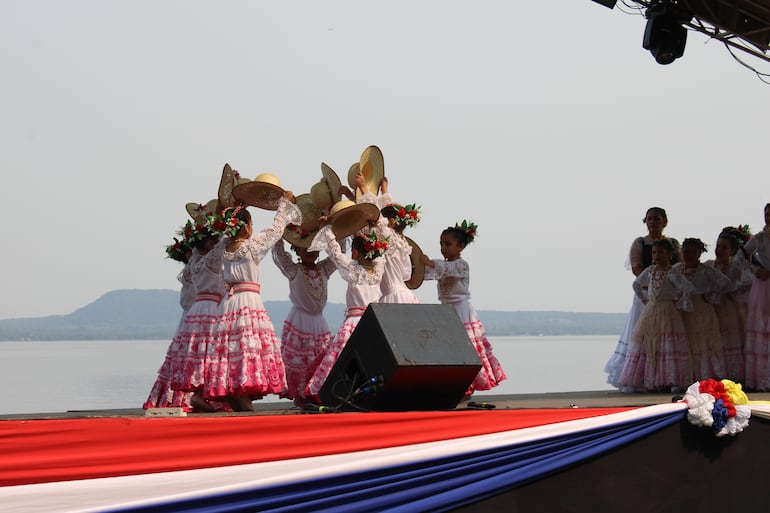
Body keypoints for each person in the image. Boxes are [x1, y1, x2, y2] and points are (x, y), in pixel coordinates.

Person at [205, 196, 301, 411]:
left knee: (233, 349)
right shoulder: (251, 247)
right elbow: (276, 230)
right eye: (250, 224)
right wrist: (283, 205)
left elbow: (210, 262)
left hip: (229, 304)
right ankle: (243, 398)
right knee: (247, 347)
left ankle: (236, 394)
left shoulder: (224, 248)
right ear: (246, 227)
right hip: (248, 302)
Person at [422, 221, 506, 398]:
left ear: (460, 246)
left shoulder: (461, 265)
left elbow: (444, 268)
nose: (443, 248)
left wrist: (428, 262)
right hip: (446, 311)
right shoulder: (443, 266)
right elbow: (428, 274)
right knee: (449, 351)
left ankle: (466, 387)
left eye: (448, 244)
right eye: (441, 244)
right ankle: (456, 387)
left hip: (461, 311)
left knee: (465, 350)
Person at [303, 225, 386, 402]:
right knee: (372, 359)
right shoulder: (378, 269)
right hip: (373, 323)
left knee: (340, 360)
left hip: (355, 323)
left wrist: (329, 225)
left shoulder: (352, 270)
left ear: (355, 253)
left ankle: (331, 392)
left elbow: (334, 251)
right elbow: (381, 254)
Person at [605, 207, 680, 390]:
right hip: (647, 295)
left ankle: (666, 375)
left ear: (665, 221)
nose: (653, 222)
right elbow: (636, 267)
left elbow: (679, 266)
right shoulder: (640, 242)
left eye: (656, 218)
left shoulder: (673, 243)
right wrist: (651, 284)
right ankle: (642, 377)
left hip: (668, 297)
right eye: (650, 219)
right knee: (643, 335)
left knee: (668, 336)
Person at [618, 238, 694, 392]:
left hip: (668, 312)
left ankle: (669, 379)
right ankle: (649, 380)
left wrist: (678, 302)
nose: (657, 255)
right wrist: (646, 300)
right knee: (649, 344)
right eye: (654, 252)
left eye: (661, 252)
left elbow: (686, 288)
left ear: (669, 254)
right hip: (651, 311)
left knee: (667, 344)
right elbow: (636, 284)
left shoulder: (672, 272)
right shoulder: (650, 271)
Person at [272, 238, 338, 405]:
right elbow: (279, 253)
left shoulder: (324, 268)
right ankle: (299, 395)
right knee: (302, 361)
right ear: (297, 250)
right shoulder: (293, 270)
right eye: (305, 247)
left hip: (319, 322)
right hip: (300, 320)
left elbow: (338, 253)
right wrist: (283, 230)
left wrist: (332, 228)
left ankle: (313, 392)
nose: (310, 251)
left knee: (319, 359)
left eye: (314, 247)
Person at [144, 232, 196, 411]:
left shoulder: (196, 270)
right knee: (187, 357)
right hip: (192, 319)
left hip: (193, 317)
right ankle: (180, 396)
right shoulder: (193, 270)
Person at [355, 174, 420, 304]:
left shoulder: (389, 237)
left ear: (392, 222)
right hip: (403, 294)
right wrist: (385, 190)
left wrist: (364, 188)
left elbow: (376, 215)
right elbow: (387, 212)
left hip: (394, 297)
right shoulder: (400, 240)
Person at [674, 238, 731, 382]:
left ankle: (705, 376)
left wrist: (711, 296)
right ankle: (686, 377)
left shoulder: (706, 270)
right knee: (686, 342)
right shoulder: (675, 269)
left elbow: (725, 283)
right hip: (682, 311)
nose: (689, 255)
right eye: (686, 251)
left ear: (699, 253)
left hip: (702, 310)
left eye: (693, 252)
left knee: (704, 343)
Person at [704, 226, 754, 382]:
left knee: (730, 340)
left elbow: (748, 282)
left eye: (724, 248)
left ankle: (733, 375)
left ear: (732, 251)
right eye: (718, 246)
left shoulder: (736, 268)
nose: (719, 250)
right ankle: (713, 374)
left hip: (729, 308)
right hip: (710, 309)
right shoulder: (708, 265)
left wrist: (733, 290)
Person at [741, 204, 770, 391]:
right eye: (767, 214)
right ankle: (762, 378)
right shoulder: (760, 238)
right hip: (764, 286)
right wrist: (757, 270)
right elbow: (742, 256)